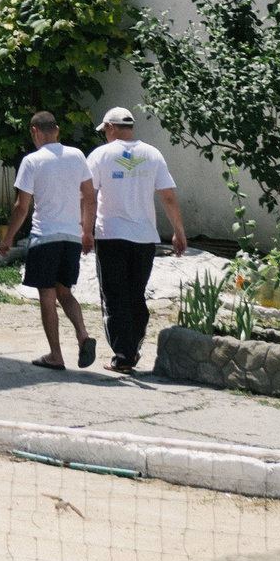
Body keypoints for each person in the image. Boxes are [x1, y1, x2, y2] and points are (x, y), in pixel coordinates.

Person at [89, 107, 188, 372]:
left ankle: (124, 356)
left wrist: (85, 230)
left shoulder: (100, 155)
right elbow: (168, 196)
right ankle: (131, 349)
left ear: (110, 127)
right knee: (135, 294)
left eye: (105, 131)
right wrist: (179, 231)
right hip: (145, 238)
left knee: (114, 296)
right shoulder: (152, 154)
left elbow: (87, 194)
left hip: (110, 235)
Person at [0, 112, 97, 371]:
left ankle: (55, 355)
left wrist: (8, 238)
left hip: (45, 237)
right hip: (71, 237)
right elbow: (88, 195)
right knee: (65, 292)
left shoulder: (32, 161)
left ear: (34, 131)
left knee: (48, 296)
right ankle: (83, 334)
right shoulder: (76, 156)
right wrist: (87, 231)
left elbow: (22, 206)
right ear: (57, 129)